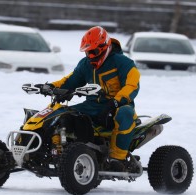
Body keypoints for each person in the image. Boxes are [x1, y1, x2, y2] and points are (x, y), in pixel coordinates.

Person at [48, 26, 140, 171]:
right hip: (91, 106)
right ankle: (61, 151)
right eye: (87, 52)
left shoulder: (123, 63)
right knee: (61, 113)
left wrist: (115, 102)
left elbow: (132, 86)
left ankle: (118, 159)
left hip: (118, 106)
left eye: (94, 52)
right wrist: (51, 87)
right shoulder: (85, 64)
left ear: (105, 47)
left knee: (125, 113)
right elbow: (70, 81)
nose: (90, 56)